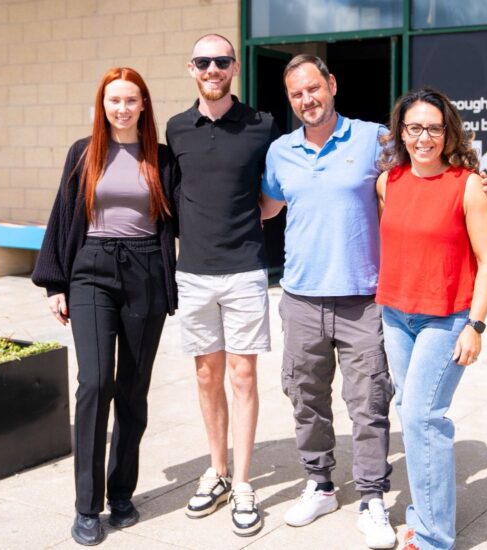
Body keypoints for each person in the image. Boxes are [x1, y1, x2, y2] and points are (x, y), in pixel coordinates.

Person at [259, 56, 487, 550]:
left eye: (314, 89)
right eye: (296, 93)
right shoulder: (280, 152)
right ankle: (320, 484)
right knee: (305, 398)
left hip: (366, 298)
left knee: (369, 404)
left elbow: (431, 161)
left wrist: (482, 182)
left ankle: (371, 497)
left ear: (332, 85)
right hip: (302, 296)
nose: (308, 100)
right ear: (289, 99)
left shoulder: (375, 140)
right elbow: (265, 205)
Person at [31, 67, 178, 546]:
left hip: (145, 272)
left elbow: (184, 213)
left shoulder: (161, 157)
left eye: (130, 100)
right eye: (113, 100)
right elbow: (63, 213)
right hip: (91, 268)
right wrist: (55, 282)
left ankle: (121, 493)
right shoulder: (84, 152)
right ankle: (86, 506)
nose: (122, 108)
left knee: (133, 389)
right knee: (95, 383)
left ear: (143, 105)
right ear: (103, 104)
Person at [374, 87, 487, 550]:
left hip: (446, 319)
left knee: (426, 417)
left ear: (448, 131)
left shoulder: (469, 184)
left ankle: (432, 538)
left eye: (432, 127)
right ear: (401, 132)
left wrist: (477, 325)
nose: (423, 137)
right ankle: (425, 513)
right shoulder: (389, 182)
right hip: (396, 315)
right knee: (413, 415)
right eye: (414, 128)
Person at [165, 33, 278, 537]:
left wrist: (248, 221)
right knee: (207, 375)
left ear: (234, 67)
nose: (214, 69)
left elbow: (274, 196)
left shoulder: (262, 125)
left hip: (245, 270)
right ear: (191, 68)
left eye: (222, 61)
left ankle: (246, 481)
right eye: (204, 61)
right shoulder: (176, 129)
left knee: (243, 376)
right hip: (193, 272)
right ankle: (218, 470)